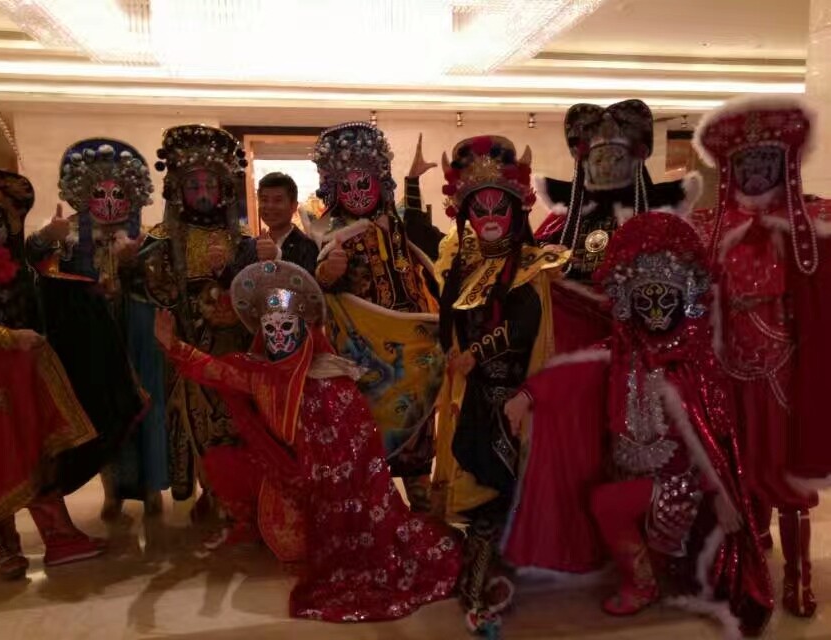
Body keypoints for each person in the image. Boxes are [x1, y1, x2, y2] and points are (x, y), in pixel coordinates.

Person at [504, 213, 773, 636]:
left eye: (666, 298)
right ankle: (650, 566)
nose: (656, 312)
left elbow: (709, 439)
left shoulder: (693, 364)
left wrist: (720, 494)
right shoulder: (625, 348)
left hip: (684, 485)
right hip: (639, 474)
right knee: (606, 498)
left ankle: (642, 584)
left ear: (685, 298)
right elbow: (575, 371)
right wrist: (528, 395)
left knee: (607, 503)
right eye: (644, 300)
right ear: (629, 303)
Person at [153, 260, 461, 622]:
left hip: (329, 491)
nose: (278, 336)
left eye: (286, 326)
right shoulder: (259, 372)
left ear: (304, 330)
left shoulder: (329, 379)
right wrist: (173, 345)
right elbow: (216, 371)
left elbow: (359, 456)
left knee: (303, 548)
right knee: (226, 467)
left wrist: (319, 483)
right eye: (270, 328)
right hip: (285, 475)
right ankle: (257, 523)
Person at [691, 96, 831, 617]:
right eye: (745, 161)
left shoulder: (810, 220)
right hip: (726, 369)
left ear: (785, 164)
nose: (755, 171)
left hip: (783, 368)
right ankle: (749, 561)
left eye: (766, 160)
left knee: (784, 472)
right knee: (739, 466)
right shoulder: (707, 225)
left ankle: (798, 576)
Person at [432, 135, 569, 634]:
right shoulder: (465, 265)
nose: (489, 216)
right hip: (474, 393)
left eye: (498, 207)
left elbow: (523, 326)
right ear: (465, 215)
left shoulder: (530, 264)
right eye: (479, 208)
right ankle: (482, 574)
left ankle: (483, 581)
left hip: (514, 394)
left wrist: (476, 353)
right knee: (480, 480)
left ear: (516, 210)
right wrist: (453, 352)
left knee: (498, 483)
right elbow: (449, 323)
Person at [27, 138, 167, 519]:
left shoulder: (146, 235)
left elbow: (162, 287)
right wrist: (45, 238)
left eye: (117, 193)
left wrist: (133, 264)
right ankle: (113, 489)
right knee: (102, 409)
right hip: (89, 337)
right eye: (98, 192)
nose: (108, 200)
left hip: (138, 331)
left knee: (147, 405)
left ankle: (151, 487)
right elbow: (30, 268)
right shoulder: (67, 233)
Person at [120, 124, 253, 519]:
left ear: (223, 188)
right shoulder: (161, 238)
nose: (202, 193)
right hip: (184, 346)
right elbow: (147, 293)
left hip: (235, 349)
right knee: (192, 421)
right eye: (193, 186)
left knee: (235, 421)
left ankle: (234, 491)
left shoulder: (243, 238)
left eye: (209, 185)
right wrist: (131, 264)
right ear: (178, 189)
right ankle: (208, 489)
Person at [0, 168, 105, 576]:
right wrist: (9, 338)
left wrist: (51, 234)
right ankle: (7, 549)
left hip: (28, 374)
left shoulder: (17, 264)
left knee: (39, 450)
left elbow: (35, 255)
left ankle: (60, 537)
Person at [312, 124, 443, 513]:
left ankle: (420, 494)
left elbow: (427, 242)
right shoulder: (331, 233)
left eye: (364, 184)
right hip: (364, 351)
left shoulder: (397, 222)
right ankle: (375, 504)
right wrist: (328, 274)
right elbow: (320, 286)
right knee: (368, 427)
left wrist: (413, 181)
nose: (357, 194)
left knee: (418, 424)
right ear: (335, 190)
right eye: (348, 187)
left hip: (413, 344)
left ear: (380, 182)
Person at [534, 99, 702, 354]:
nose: (607, 166)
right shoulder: (562, 222)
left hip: (643, 333)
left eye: (616, 157)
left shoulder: (662, 222)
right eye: (599, 158)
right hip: (574, 336)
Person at [253, 171, 319, 273]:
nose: (270, 206)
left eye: (278, 200)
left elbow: (307, 281)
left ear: (294, 206)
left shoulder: (308, 247)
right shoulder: (250, 246)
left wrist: (277, 256)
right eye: (264, 200)